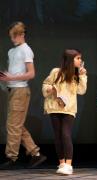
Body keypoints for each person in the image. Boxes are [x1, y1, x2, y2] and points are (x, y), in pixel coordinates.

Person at [0, 21, 47, 169]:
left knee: (13, 125)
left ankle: (12, 157)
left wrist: (10, 78)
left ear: (22, 35)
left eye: (15, 36)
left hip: (20, 90)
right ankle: (35, 154)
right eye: (11, 36)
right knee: (15, 125)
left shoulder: (26, 50)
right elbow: (14, 72)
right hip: (13, 90)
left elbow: (31, 74)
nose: (13, 39)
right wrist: (6, 79)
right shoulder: (11, 51)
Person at [42, 49, 87, 175]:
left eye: (80, 58)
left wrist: (83, 76)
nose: (80, 61)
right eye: (78, 58)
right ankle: (61, 163)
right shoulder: (56, 72)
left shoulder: (77, 75)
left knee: (65, 134)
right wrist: (50, 88)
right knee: (58, 136)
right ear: (70, 60)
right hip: (55, 107)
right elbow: (45, 84)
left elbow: (82, 91)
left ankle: (68, 164)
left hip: (69, 109)